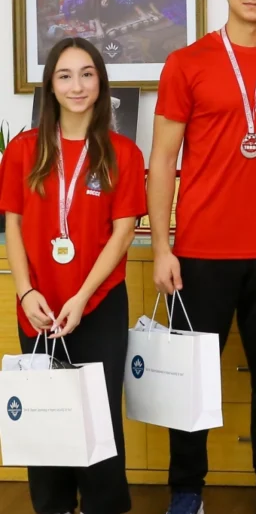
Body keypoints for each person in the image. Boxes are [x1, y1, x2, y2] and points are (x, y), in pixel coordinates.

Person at [150, 0, 256, 514]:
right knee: (192, 379)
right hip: (200, 252)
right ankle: (187, 491)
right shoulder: (186, 63)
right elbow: (163, 160)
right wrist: (163, 245)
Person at [0, 37, 146, 514]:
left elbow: (123, 232)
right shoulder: (23, 149)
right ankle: (54, 506)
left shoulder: (122, 151)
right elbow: (14, 226)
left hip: (98, 304)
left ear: (101, 83)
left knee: (97, 415)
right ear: (51, 86)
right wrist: (25, 293)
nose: (77, 85)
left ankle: (103, 505)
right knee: (46, 417)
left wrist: (83, 297)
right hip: (38, 308)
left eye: (87, 74)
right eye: (65, 75)